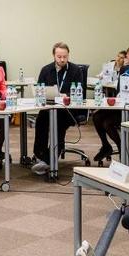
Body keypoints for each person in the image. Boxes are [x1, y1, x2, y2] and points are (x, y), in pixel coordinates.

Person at [31, 42, 84, 175]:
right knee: (41, 120)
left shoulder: (75, 70)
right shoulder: (46, 70)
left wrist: (66, 95)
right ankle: (40, 155)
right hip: (49, 107)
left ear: (68, 56)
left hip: (67, 109)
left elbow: (80, 92)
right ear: (54, 55)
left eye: (65, 57)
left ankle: (49, 160)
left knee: (59, 124)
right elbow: (40, 89)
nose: (62, 60)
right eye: (59, 57)